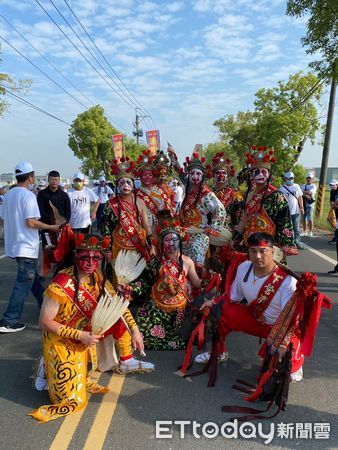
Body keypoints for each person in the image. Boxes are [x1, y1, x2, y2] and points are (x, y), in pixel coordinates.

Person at [29, 233, 151, 423]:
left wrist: (135, 330)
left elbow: (116, 306)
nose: (90, 262)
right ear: (76, 256)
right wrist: (80, 335)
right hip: (60, 338)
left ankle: (53, 366)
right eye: (85, 256)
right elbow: (44, 322)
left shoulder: (97, 277)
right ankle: (47, 364)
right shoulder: (60, 285)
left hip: (83, 335)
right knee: (74, 402)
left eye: (96, 257)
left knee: (120, 322)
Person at [201, 232, 329, 382]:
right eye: (253, 251)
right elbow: (232, 297)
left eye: (263, 251)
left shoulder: (287, 281)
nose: (258, 256)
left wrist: (283, 343)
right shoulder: (244, 268)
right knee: (220, 310)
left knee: (281, 366)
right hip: (255, 320)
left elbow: (291, 319)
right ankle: (218, 352)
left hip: (280, 328)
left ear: (273, 252)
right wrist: (213, 302)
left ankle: (295, 363)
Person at [0, 162, 60, 333]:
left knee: (31, 279)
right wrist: (51, 227)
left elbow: (5, 218)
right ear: (30, 177)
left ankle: (45, 306)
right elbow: (31, 222)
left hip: (15, 246)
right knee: (23, 283)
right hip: (26, 246)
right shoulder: (28, 196)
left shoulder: (9, 195)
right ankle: (9, 321)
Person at [137, 214, 203, 350]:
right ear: (161, 242)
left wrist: (210, 280)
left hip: (179, 308)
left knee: (185, 332)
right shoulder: (155, 261)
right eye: (167, 240)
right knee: (142, 330)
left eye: (174, 239)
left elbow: (196, 282)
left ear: (180, 241)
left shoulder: (187, 261)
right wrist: (129, 288)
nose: (171, 243)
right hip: (157, 307)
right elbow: (145, 282)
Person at [168, 146, 226, 276]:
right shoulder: (188, 187)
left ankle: (199, 285)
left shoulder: (207, 194)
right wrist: (173, 156)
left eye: (198, 174)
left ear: (203, 176)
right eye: (192, 173)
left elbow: (220, 210)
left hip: (199, 234)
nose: (195, 176)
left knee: (195, 252)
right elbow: (180, 172)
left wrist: (212, 229)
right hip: (183, 232)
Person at [235, 146, 296, 255]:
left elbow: (285, 220)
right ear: (251, 175)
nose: (260, 174)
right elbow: (244, 219)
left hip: (268, 246)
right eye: (256, 171)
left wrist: (286, 244)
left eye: (264, 171)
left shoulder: (277, 196)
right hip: (249, 245)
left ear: (269, 175)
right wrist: (236, 236)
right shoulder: (249, 194)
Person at [37, 170, 71, 247]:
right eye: (52, 179)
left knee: (62, 252)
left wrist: (63, 223)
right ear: (48, 180)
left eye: (56, 179)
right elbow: (40, 211)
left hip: (61, 229)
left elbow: (68, 212)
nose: (54, 181)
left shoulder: (64, 195)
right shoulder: (42, 194)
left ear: (59, 180)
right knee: (48, 251)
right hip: (46, 228)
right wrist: (53, 220)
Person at [210, 152, 243, 229]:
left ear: (227, 175)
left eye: (224, 173)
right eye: (218, 173)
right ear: (213, 176)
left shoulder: (235, 194)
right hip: (209, 230)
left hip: (227, 232)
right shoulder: (208, 193)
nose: (221, 175)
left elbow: (239, 217)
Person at [279, 171, 304, 249]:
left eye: (291, 178)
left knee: (296, 228)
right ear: (285, 179)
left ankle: (297, 243)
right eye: (288, 178)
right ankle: (287, 243)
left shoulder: (297, 186)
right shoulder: (282, 188)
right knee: (286, 228)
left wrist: (302, 207)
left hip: (295, 211)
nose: (290, 179)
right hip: (285, 212)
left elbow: (300, 197)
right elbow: (279, 199)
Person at [301, 172, 317, 237]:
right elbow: (299, 193)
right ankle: (304, 231)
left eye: (310, 178)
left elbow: (310, 192)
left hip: (310, 204)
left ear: (312, 179)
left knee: (310, 218)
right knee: (303, 218)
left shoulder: (313, 186)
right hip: (303, 203)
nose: (308, 179)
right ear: (306, 179)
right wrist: (305, 194)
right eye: (307, 178)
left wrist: (303, 192)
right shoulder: (303, 185)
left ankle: (310, 231)